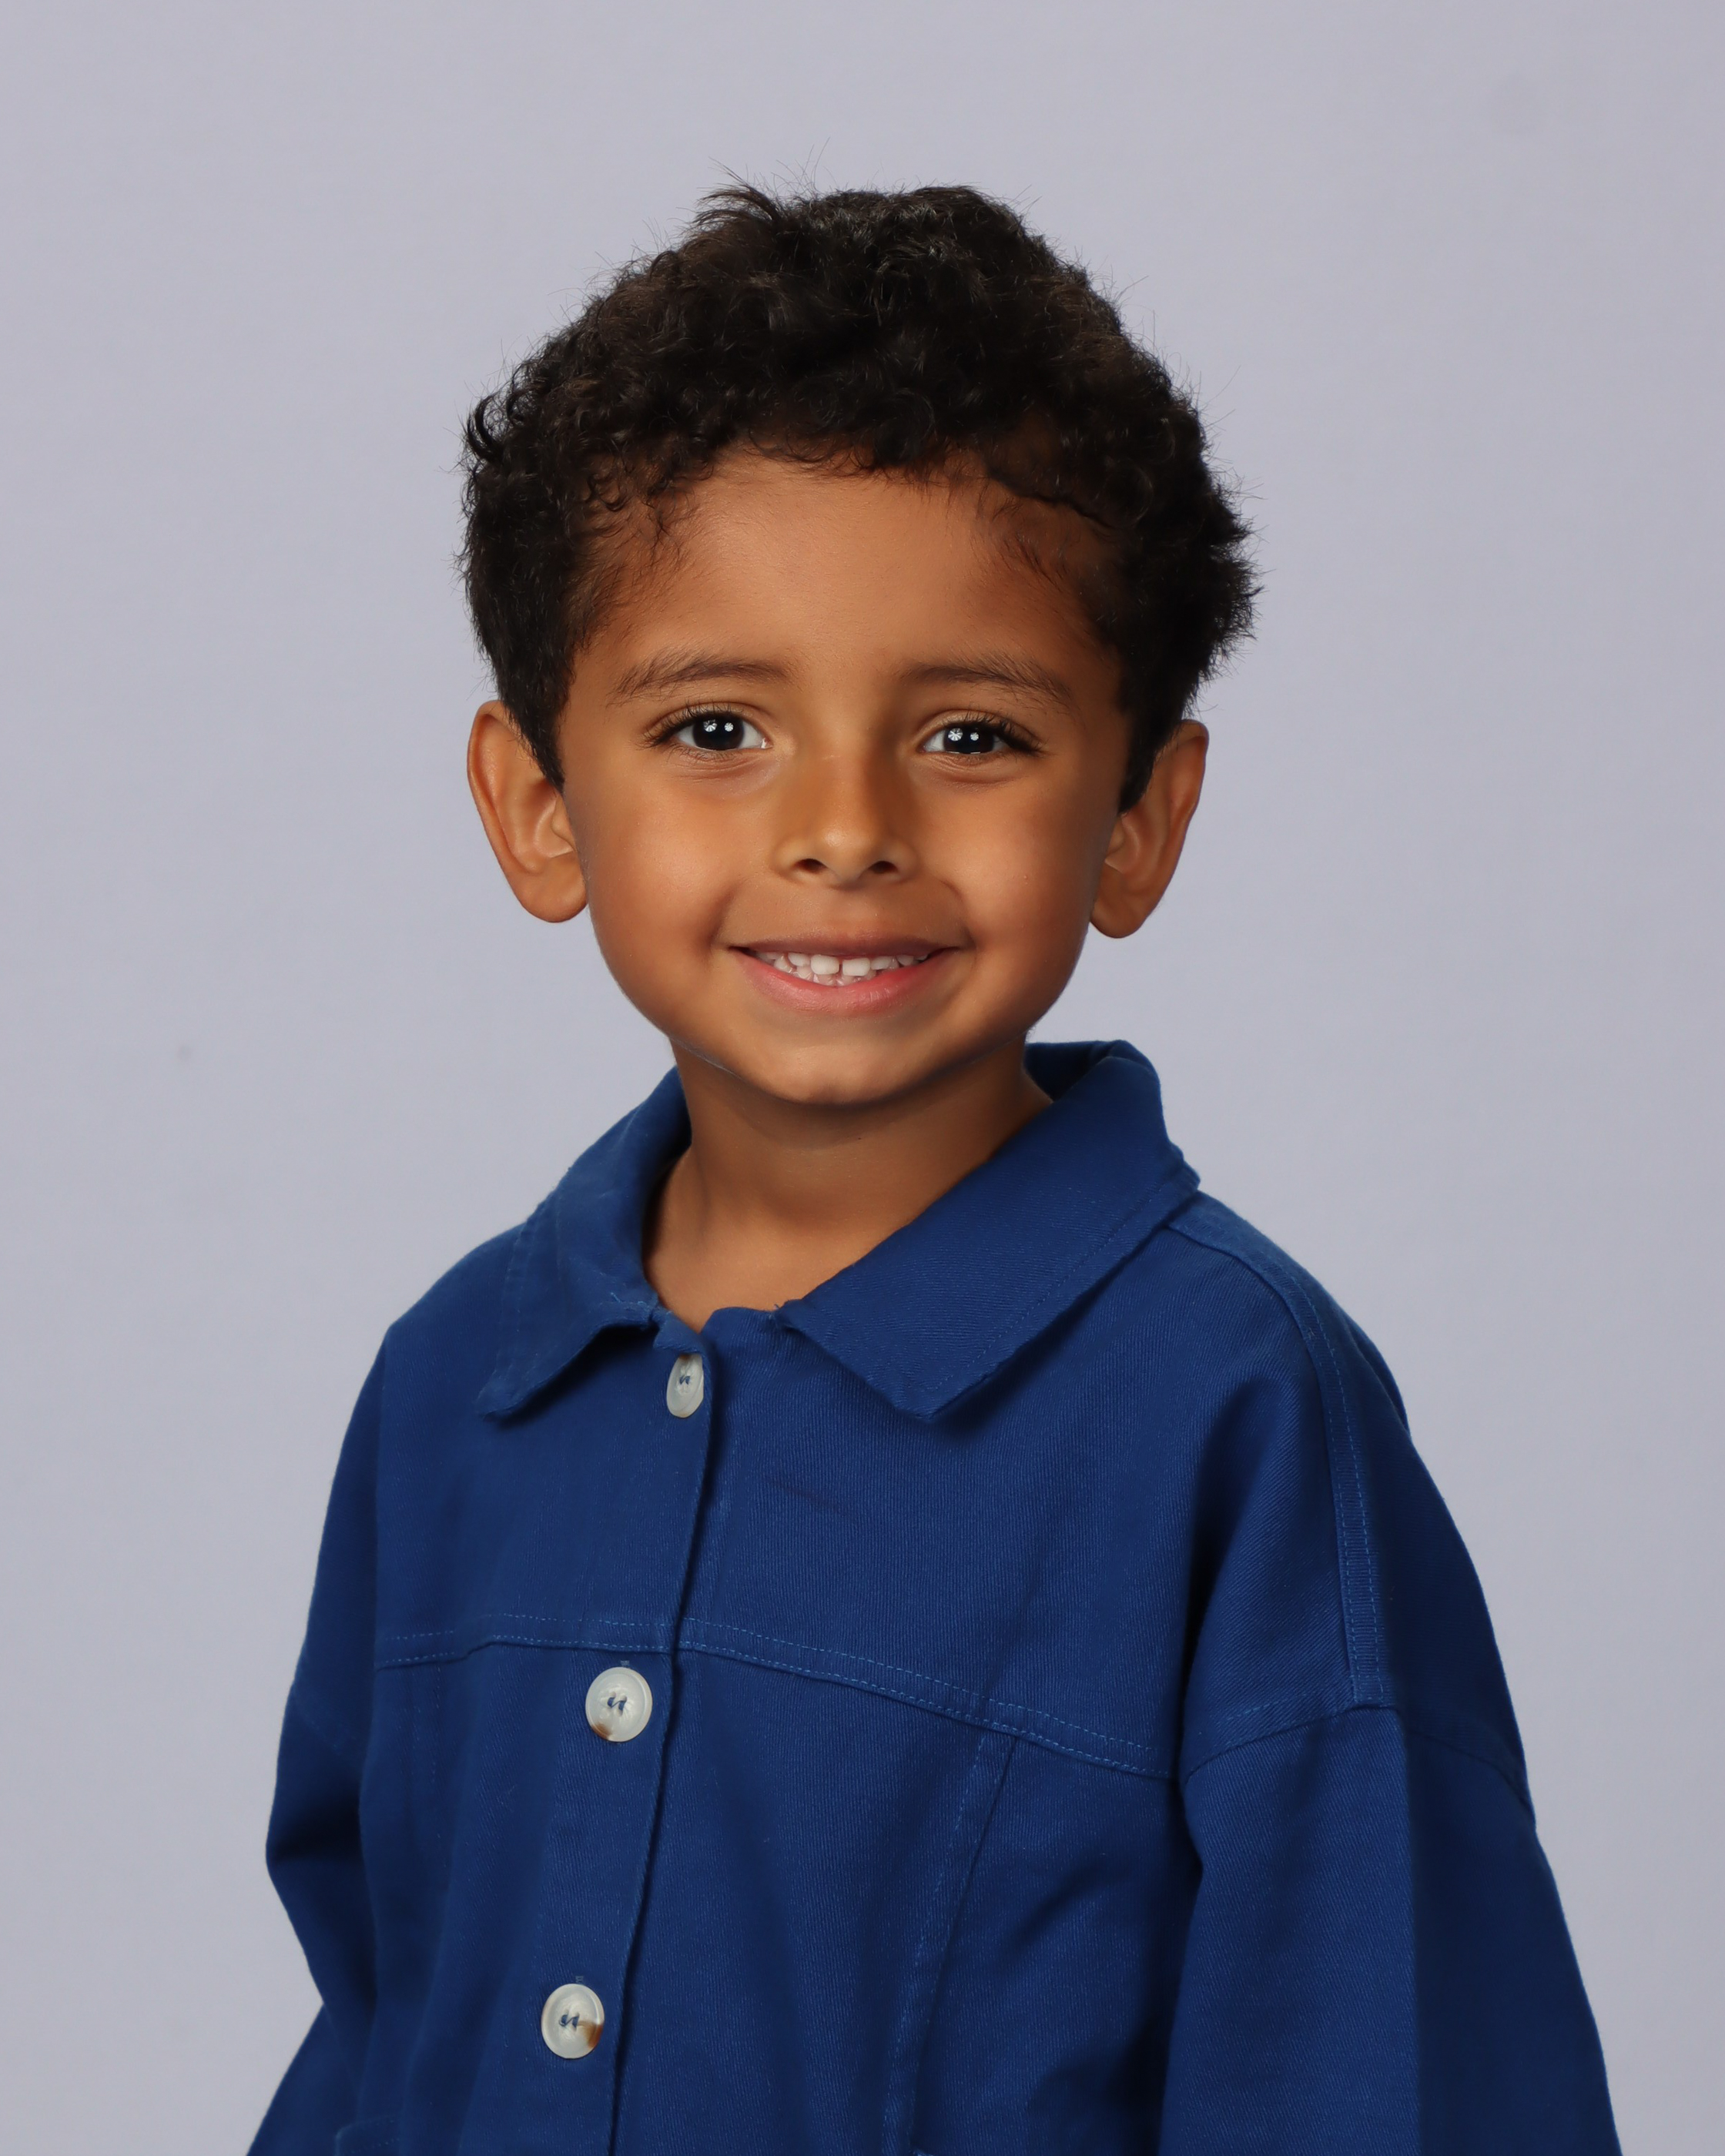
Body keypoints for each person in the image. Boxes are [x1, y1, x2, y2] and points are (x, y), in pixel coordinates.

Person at [249, 185, 1619, 2155]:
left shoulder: (1235, 1414)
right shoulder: (454, 1385)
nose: (843, 826)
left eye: (970, 733)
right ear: (538, 805)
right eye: (717, 725)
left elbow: (1388, 2082)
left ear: (1137, 818)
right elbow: (380, 2032)